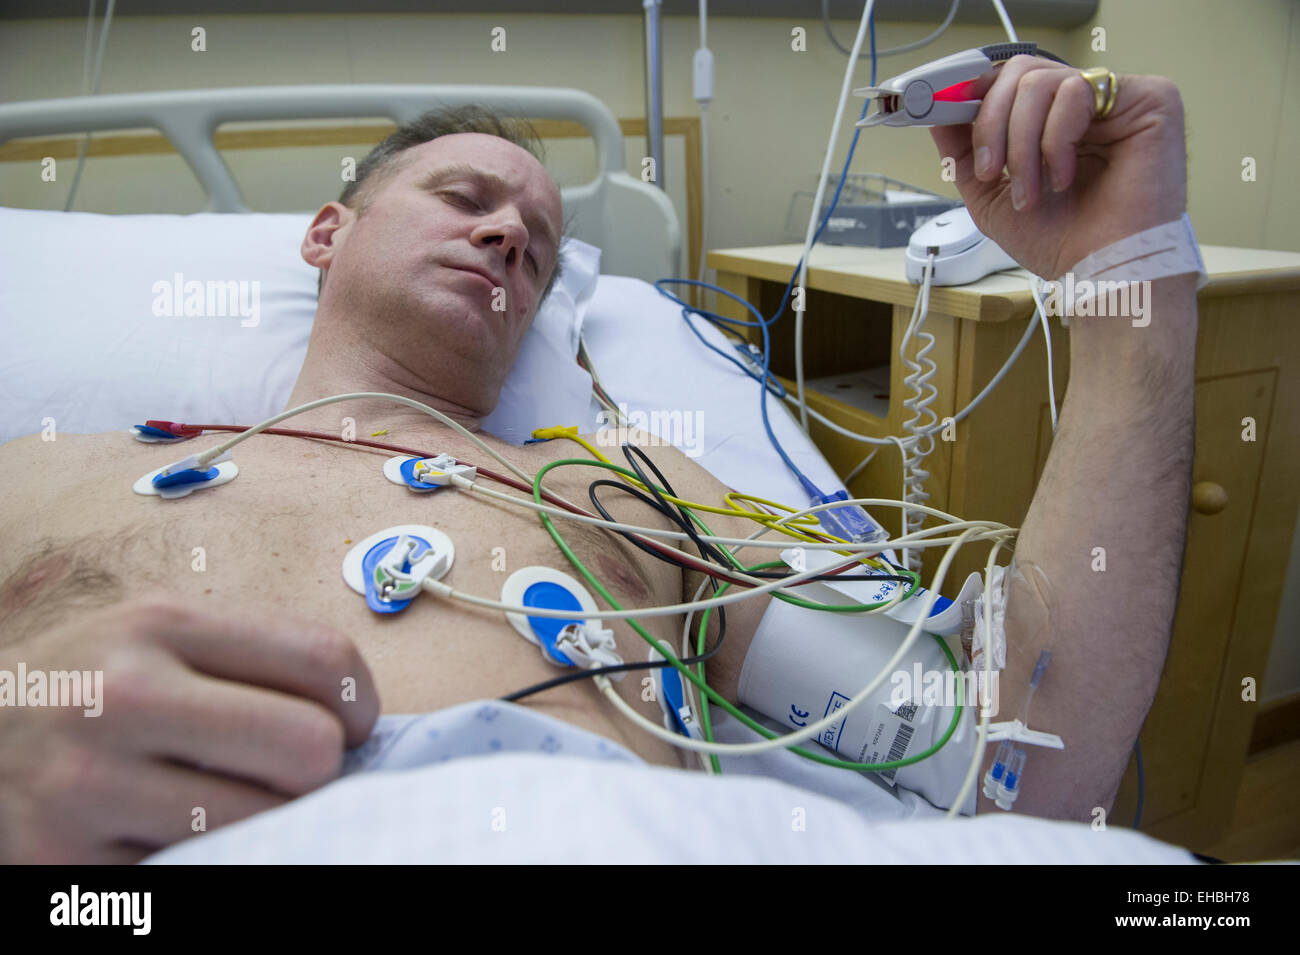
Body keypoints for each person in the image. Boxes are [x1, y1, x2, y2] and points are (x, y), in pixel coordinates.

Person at [0, 59, 1201, 863]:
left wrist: (1129, 275)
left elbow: (1015, 755)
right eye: (463, 196)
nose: (511, 232)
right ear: (328, 235)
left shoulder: (611, 493)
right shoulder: (56, 473)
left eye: (540, 240)